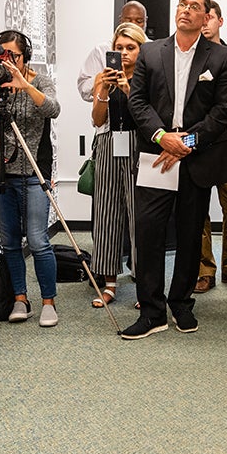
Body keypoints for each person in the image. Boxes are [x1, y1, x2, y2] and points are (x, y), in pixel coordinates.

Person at [123, 0, 227, 339]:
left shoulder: (220, 57)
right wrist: (163, 138)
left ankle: (181, 303)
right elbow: (137, 102)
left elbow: (224, 110)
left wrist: (185, 142)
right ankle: (152, 311)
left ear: (207, 17)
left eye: (194, 6)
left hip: (194, 156)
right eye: (182, 4)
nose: (186, 10)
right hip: (157, 154)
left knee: (190, 234)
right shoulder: (150, 52)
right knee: (149, 231)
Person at [0, 30, 62, 327]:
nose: (7, 61)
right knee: (10, 242)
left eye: (13, 55)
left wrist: (25, 84)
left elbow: (52, 108)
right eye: (2, 55)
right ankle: (20, 298)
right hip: (2, 173)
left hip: (32, 173)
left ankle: (49, 302)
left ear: (25, 55)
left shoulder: (39, 80)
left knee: (39, 240)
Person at [87, 22, 147, 307]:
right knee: (107, 213)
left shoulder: (148, 77)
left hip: (139, 146)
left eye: (130, 48)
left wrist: (128, 87)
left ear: (141, 49)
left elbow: (148, 115)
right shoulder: (104, 76)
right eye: (119, 48)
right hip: (109, 143)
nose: (123, 53)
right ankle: (109, 283)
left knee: (140, 216)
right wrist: (103, 89)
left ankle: (144, 284)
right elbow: (97, 119)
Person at [195, 0, 227, 294]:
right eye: (203, 16)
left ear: (219, 21)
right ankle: (203, 269)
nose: (206, 22)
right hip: (195, 143)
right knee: (199, 213)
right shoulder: (187, 54)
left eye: (211, 17)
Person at [77, 1, 147, 102]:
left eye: (139, 21)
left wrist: (129, 90)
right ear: (120, 20)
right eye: (128, 20)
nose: (133, 25)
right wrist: (102, 81)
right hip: (109, 111)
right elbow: (84, 90)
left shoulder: (154, 50)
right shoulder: (101, 50)